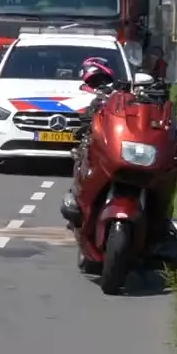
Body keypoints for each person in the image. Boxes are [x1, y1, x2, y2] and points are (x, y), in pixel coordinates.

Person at [59, 56, 123, 227]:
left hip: (117, 140)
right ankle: (78, 199)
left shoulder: (122, 93)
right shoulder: (83, 95)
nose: (99, 83)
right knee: (84, 159)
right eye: (95, 80)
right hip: (96, 140)